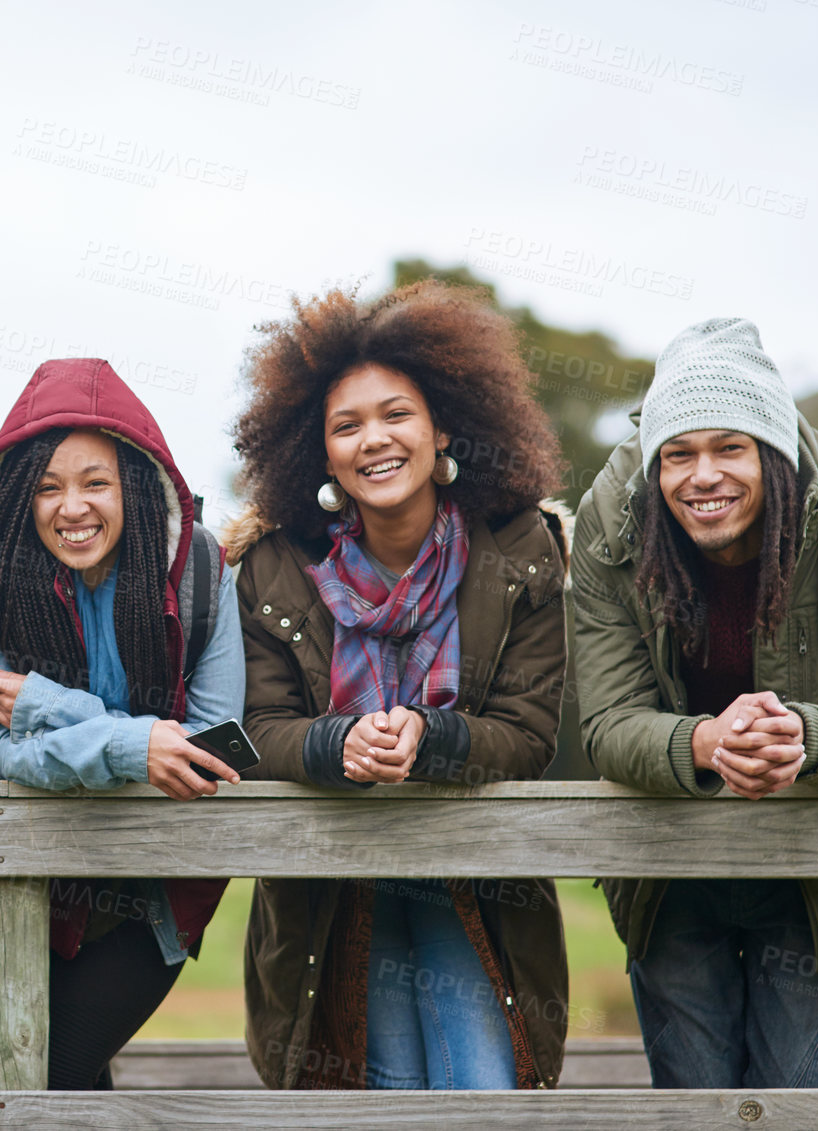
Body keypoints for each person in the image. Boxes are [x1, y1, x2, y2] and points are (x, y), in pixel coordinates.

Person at [227, 282, 572, 1090]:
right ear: (319, 451)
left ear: (444, 425)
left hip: (473, 879)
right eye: (346, 425)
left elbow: (528, 734)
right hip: (337, 887)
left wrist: (431, 735)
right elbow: (260, 726)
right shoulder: (275, 565)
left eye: (396, 414)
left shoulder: (524, 550)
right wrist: (337, 741)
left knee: (481, 1088)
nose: (373, 440)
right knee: (381, 1090)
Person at [572, 317, 818, 1088]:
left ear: (775, 452)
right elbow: (607, 722)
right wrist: (704, 743)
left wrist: (805, 736)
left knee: (794, 1091)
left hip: (809, 860)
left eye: (731, 448)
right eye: (679, 454)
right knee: (694, 1090)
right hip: (669, 859)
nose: (703, 476)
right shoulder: (608, 522)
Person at [0, 357, 245, 1090]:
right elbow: (0, 746)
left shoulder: (200, 568)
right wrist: (131, 741)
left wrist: (53, 706)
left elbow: (204, 750)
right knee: (50, 1083)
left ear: (134, 486)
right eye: (48, 486)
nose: (70, 506)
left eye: (94, 482)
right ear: (21, 494)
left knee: (50, 1070)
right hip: (29, 882)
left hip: (155, 889)